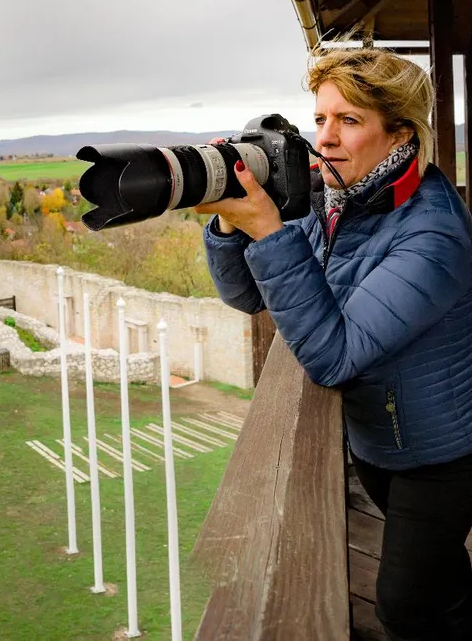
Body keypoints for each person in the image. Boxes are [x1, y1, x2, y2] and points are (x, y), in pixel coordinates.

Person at [197, 46, 472, 641]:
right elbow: (248, 296)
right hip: (380, 440)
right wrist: (228, 223)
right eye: (321, 119)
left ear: (400, 133)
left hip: (442, 454)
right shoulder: (337, 198)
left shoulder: (433, 232)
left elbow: (333, 355)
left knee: (404, 607)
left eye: (349, 121)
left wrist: (269, 229)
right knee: (441, 579)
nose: (326, 138)